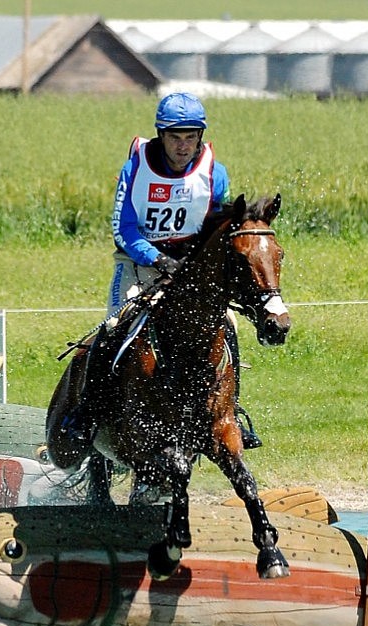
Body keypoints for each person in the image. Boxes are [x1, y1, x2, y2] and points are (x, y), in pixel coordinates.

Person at [63, 92, 261, 449]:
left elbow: (218, 227)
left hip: (190, 268)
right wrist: (159, 260)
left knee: (227, 328)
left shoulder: (215, 174)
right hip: (140, 263)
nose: (183, 146)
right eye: (174, 137)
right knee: (113, 327)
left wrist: (199, 265)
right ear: (160, 135)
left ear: (200, 136)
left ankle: (232, 411)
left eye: (190, 137)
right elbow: (124, 230)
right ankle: (87, 412)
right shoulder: (135, 168)